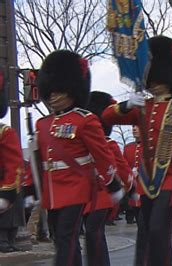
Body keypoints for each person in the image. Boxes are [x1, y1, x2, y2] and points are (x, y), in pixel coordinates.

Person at [102, 35, 172, 266]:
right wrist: (126, 104)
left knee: (158, 230)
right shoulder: (142, 108)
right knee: (148, 232)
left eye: (158, 77)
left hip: (170, 179)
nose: (154, 82)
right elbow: (106, 116)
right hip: (146, 181)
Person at [36, 50, 124, 265]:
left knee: (67, 236)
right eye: (50, 93)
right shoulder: (43, 124)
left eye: (59, 92)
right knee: (62, 239)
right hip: (53, 190)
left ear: (72, 91)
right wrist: (31, 189)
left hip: (77, 189)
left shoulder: (85, 120)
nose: (53, 97)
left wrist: (113, 185)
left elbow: (102, 155)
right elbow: (40, 161)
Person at [83, 91, 134, 266]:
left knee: (93, 232)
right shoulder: (81, 143)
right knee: (93, 236)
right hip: (84, 194)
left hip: (104, 193)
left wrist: (131, 188)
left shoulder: (109, 144)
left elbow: (123, 168)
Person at [0, 89, 23, 253]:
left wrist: (7, 191)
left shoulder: (4, 132)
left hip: (3, 183)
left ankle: (6, 238)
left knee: (8, 217)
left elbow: (14, 164)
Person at [123, 125, 143, 224]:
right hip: (134, 189)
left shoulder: (151, 146)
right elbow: (123, 166)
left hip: (147, 189)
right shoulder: (128, 148)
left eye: (137, 126)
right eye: (133, 127)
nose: (134, 129)